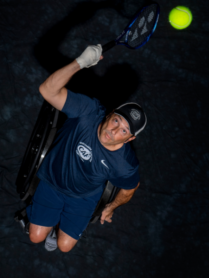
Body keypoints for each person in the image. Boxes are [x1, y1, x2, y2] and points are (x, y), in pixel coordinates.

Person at [26, 44, 147, 252]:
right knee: (36, 238)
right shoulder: (89, 111)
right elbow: (47, 90)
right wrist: (79, 63)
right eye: (117, 120)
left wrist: (110, 207)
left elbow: (130, 189)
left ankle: (56, 227)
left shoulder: (124, 165)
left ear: (129, 139)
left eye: (124, 131)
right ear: (110, 114)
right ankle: (42, 216)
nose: (114, 130)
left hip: (83, 197)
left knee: (64, 247)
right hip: (52, 182)